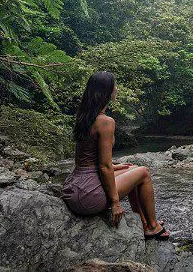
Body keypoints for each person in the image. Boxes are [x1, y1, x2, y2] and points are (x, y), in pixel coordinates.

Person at [61, 71, 170, 240]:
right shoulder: (106, 121)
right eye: (115, 85)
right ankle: (153, 226)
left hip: (75, 187)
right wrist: (115, 203)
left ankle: (144, 223)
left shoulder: (84, 117)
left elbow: (87, 161)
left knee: (132, 169)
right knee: (144, 172)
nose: (117, 89)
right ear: (107, 91)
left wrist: (116, 167)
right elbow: (104, 166)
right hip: (89, 196)